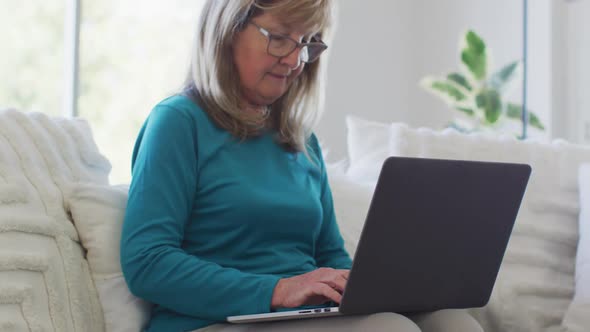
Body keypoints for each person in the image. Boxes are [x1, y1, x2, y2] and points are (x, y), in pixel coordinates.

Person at [120, 1, 484, 331]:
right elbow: (148, 263)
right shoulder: (178, 122)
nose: (295, 60)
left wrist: (378, 285)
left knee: (455, 323)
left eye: (307, 42)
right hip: (207, 321)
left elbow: (330, 256)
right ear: (227, 32)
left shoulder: (299, 140)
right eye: (279, 39)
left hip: (294, 318)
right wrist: (277, 290)